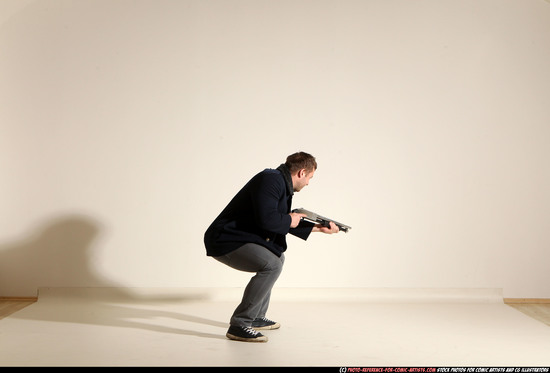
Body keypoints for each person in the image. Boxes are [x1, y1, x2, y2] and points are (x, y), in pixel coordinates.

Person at [204, 152, 339, 342]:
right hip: (224, 238)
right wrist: (290, 218)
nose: (308, 183)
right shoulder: (270, 180)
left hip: (238, 236)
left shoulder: (279, 183)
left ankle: (257, 317)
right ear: (302, 172)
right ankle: (240, 324)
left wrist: (318, 228)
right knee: (272, 265)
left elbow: (278, 221)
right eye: (310, 177)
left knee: (277, 259)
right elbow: (268, 220)